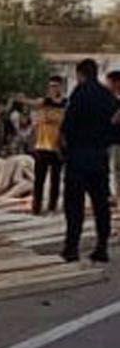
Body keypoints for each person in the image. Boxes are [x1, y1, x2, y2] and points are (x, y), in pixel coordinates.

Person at [60, 59, 118, 263]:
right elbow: (116, 128)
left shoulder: (79, 94)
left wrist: (65, 149)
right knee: (101, 205)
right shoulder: (108, 97)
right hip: (99, 157)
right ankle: (102, 247)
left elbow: (67, 126)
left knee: (74, 205)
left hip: (78, 157)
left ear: (80, 74)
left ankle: (72, 248)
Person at [30, 77, 66, 215]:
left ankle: (52, 207)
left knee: (55, 180)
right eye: (51, 86)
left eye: (56, 86)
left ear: (61, 87)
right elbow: (32, 102)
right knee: (39, 180)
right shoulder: (44, 102)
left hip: (56, 147)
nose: (53, 88)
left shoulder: (65, 104)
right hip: (42, 146)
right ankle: (36, 207)